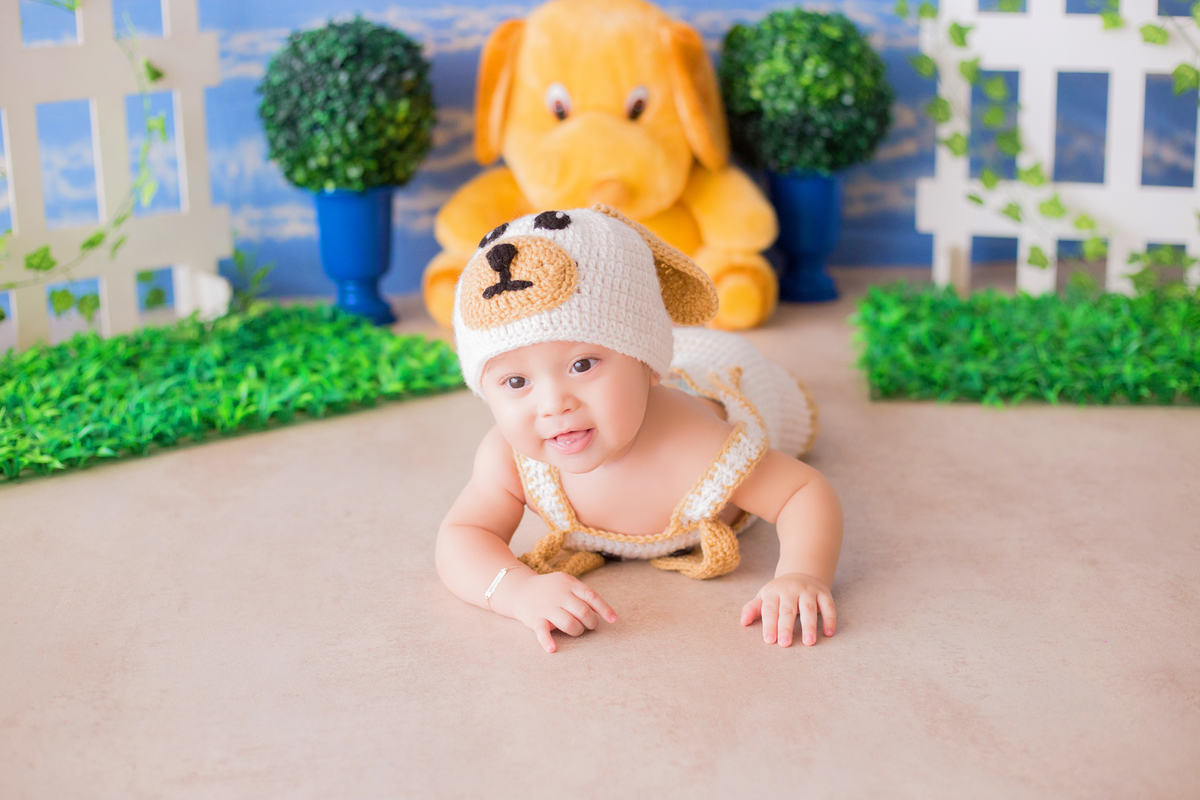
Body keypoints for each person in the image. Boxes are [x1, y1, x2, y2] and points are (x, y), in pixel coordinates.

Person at [435, 206, 843, 653]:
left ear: (649, 364)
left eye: (582, 364)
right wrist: (516, 590)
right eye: (516, 382)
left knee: (794, 414)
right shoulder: (509, 459)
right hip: (648, 363)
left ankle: (674, 355)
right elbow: (462, 535)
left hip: (730, 373)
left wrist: (801, 574)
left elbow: (803, 492)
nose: (553, 405)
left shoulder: (702, 448)